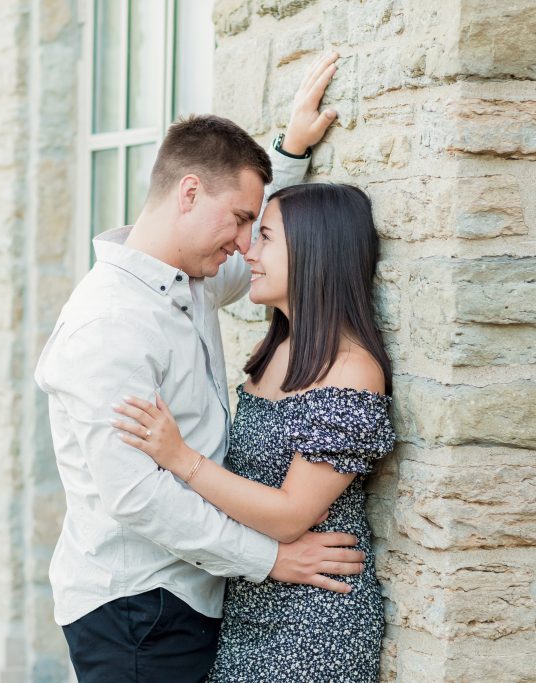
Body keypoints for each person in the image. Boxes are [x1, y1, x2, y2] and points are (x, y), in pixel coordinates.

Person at [34, 53, 367, 682]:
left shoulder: (184, 282)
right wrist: (271, 558)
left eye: (253, 225)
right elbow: (137, 496)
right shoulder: (112, 325)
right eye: (242, 219)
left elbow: (259, 268)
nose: (246, 242)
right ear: (189, 193)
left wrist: (288, 149)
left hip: (184, 594)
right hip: (139, 606)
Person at [113, 182, 396, 682]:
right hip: (249, 603)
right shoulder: (279, 349)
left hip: (313, 619)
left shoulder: (352, 371)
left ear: (314, 252)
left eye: (265, 237)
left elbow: (290, 516)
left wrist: (180, 458)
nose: (249, 251)